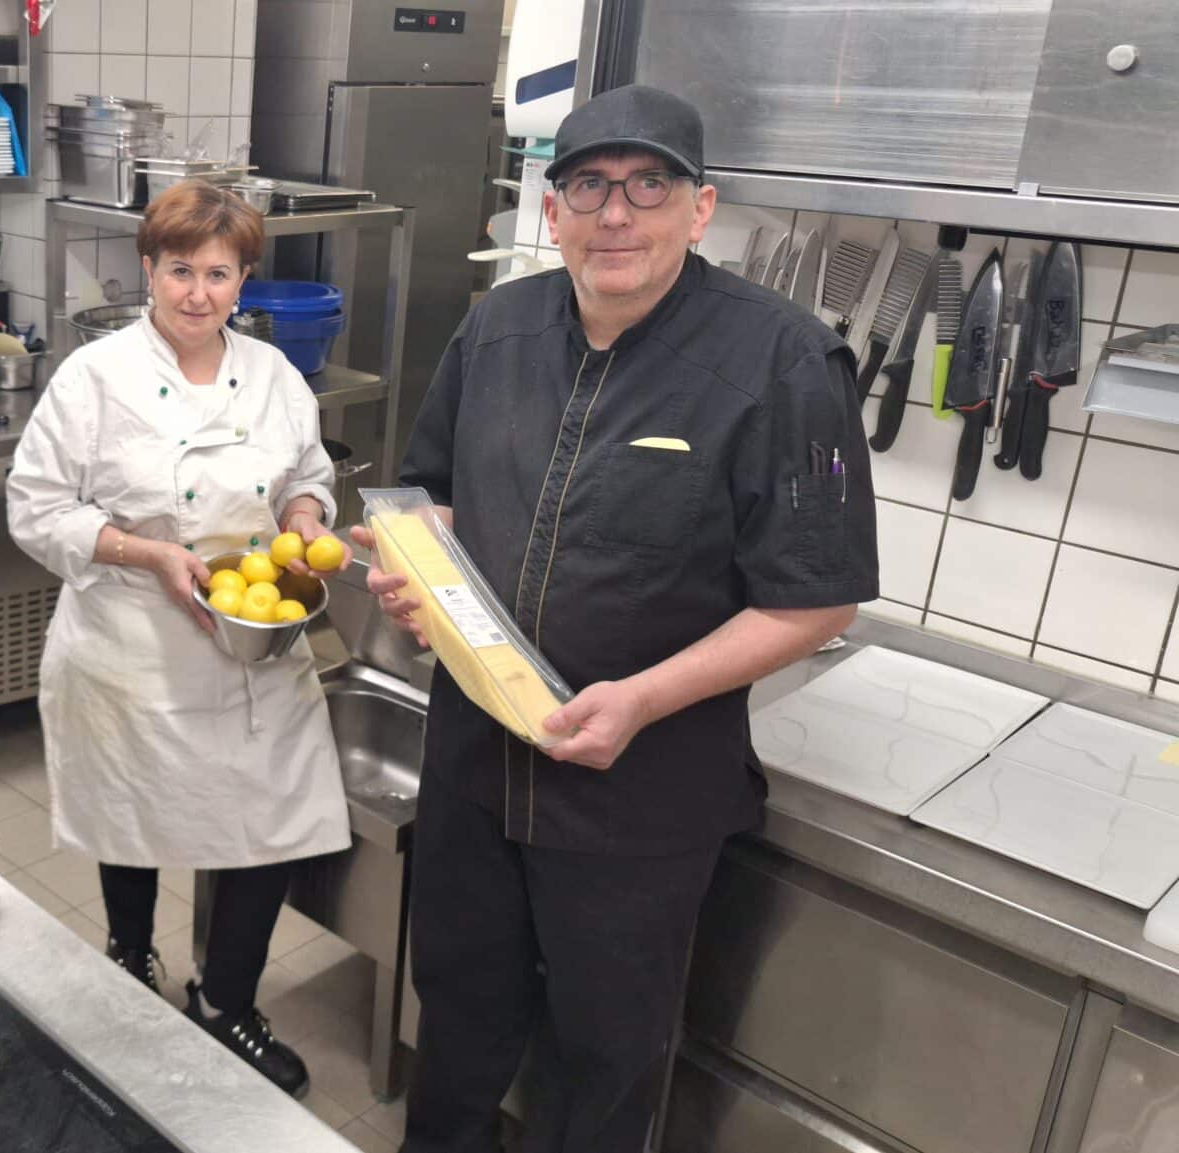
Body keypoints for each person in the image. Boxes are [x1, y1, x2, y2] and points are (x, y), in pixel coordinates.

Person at [354, 86, 879, 1152]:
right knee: (455, 1012)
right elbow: (427, 494)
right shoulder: (496, 327)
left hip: (636, 796)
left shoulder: (780, 363)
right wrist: (413, 571)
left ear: (699, 208)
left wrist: (638, 699)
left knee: (605, 1054)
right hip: (472, 766)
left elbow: (817, 595)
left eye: (649, 187)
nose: (615, 215)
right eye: (587, 186)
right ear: (550, 212)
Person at [6, 180, 351, 1099]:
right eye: (180, 271)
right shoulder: (95, 377)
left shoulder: (274, 376)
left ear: (244, 279)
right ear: (147, 271)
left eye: (220, 273)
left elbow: (305, 475)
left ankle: (226, 1000)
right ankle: (128, 959)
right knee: (133, 811)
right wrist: (146, 552)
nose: (199, 293)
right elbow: (35, 508)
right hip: (132, 638)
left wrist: (307, 516)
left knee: (271, 822)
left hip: (255, 633)